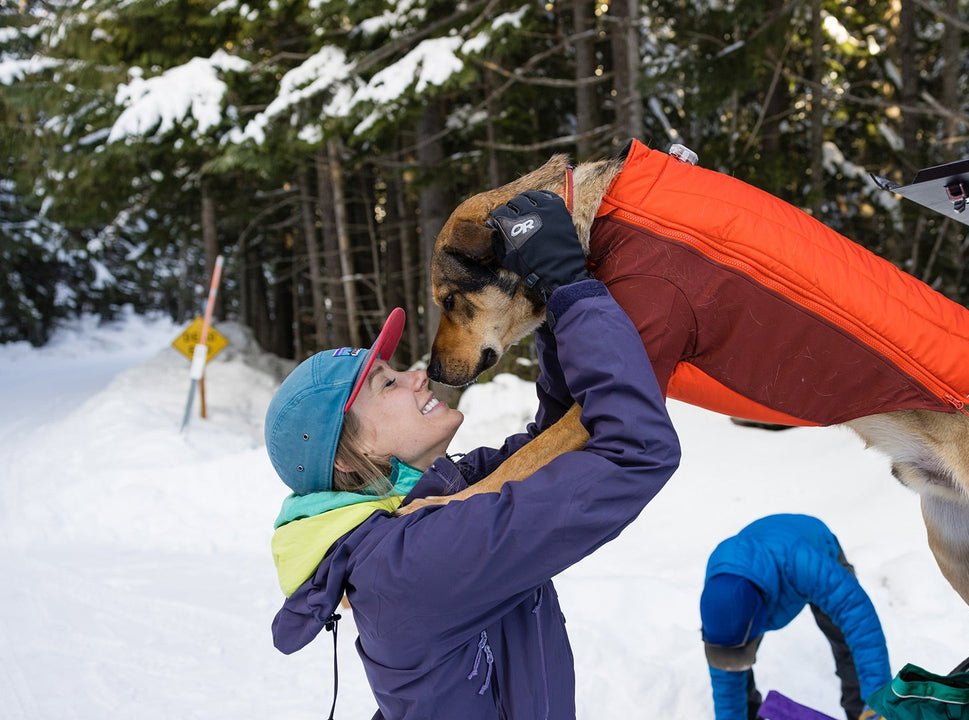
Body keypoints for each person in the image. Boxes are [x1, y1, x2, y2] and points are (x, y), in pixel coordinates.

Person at [265, 190, 681, 719]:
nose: (418, 376)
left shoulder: (440, 499)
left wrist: (549, 301)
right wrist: (571, 291)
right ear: (352, 455)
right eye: (387, 383)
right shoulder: (409, 564)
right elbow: (633, 453)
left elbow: (559, 437)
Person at [700, 514, 892, 720]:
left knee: (849, 646)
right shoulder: (720, 598)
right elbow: (725, 674)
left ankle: (864, 712)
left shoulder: (803, 563)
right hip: (762, 572)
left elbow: (860, 623)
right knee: (731, 661)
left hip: (814, 549)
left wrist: (876, 699)